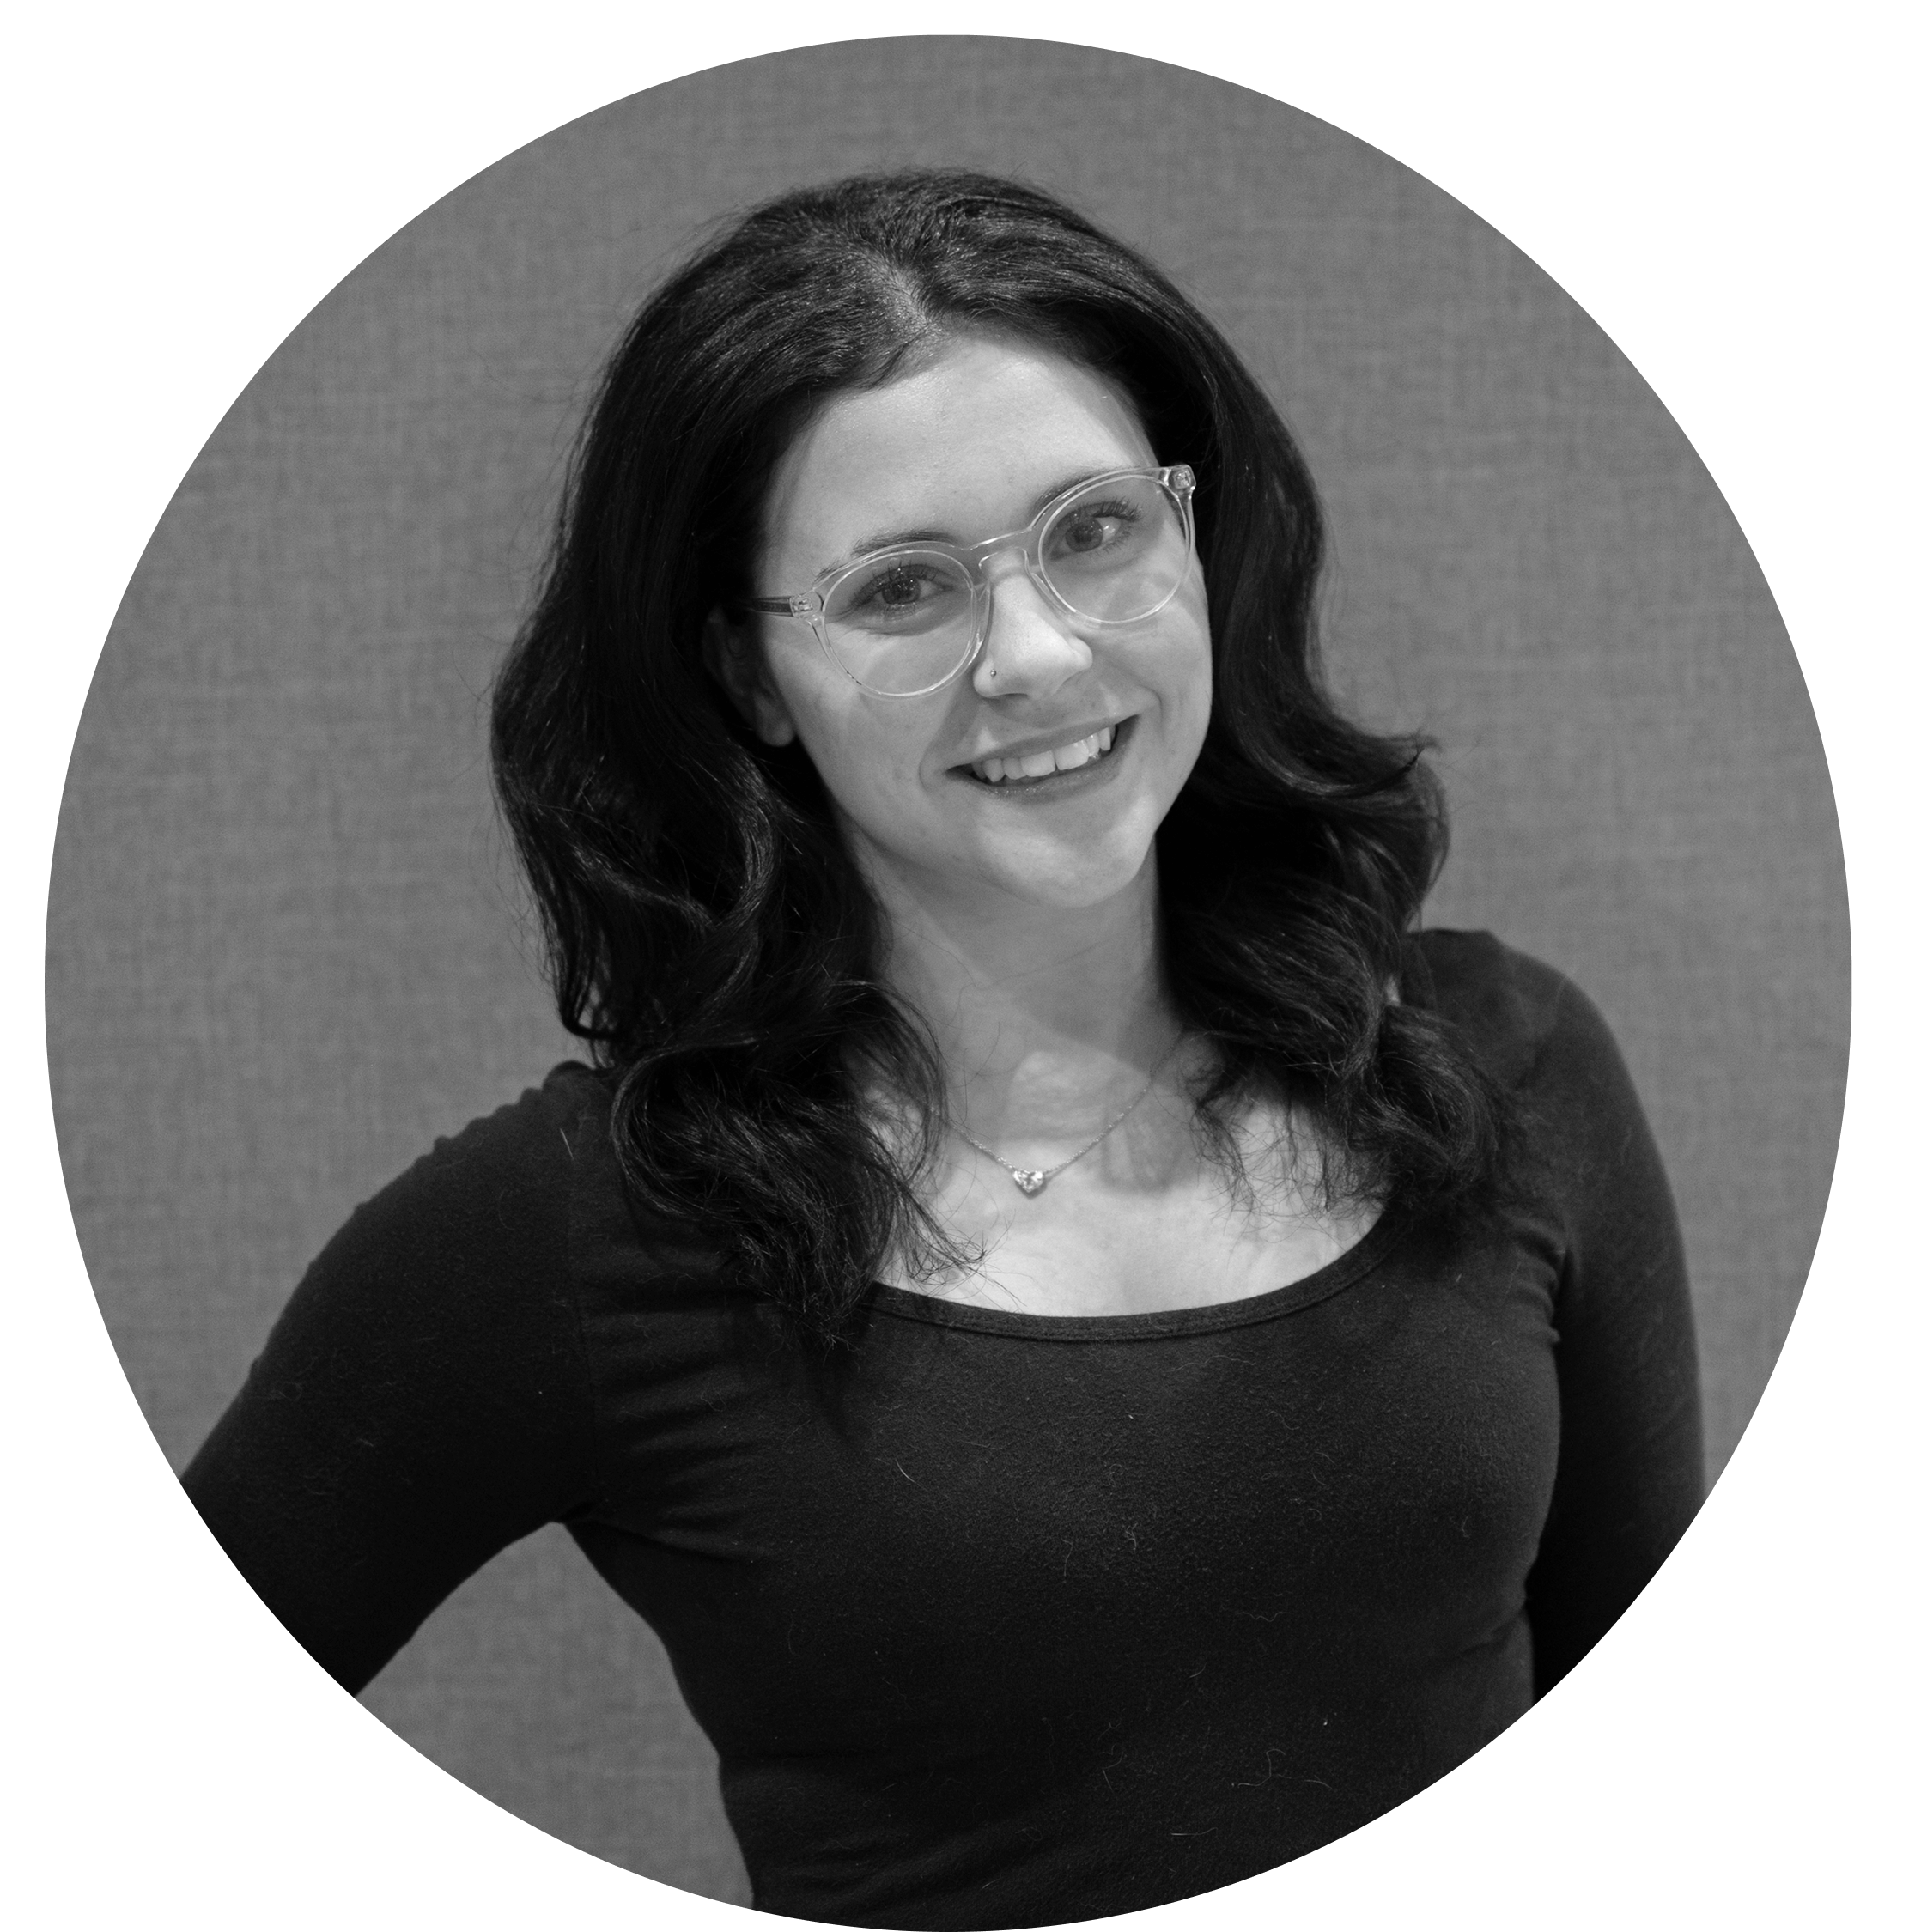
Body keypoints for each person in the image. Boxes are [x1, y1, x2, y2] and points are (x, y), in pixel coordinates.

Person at [182, 169, 1704, 1927]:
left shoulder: (1506, 1065)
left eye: (1094, 531)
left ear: (1194, 529)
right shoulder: (586, 1232)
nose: (1040, 656)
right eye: (903, 591)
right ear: (746, 679)